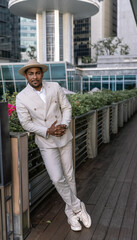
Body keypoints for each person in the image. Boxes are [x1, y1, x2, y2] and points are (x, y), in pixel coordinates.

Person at [16, 59, 91, 231]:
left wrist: (64, 124)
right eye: (31, 73)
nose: (34, 76)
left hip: (64, 136)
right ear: (26, 76)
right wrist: (48, 130)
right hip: (45, 141)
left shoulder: (55, 87)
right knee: (57, 178)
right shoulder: (21, 98)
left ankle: (71, 215)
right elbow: (26, 124)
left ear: (42, 73)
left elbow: (67, 108)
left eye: (37, 72)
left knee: (69, 176)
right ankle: (78, 207)